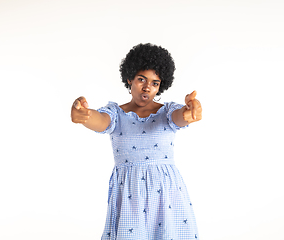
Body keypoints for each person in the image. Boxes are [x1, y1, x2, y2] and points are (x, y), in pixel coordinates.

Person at [71, 43, 202, 240]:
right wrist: (85, 115)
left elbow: (180, 117)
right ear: (129, 78)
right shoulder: (115, 113)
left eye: (155, 83)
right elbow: (101, 121)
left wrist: (190, 110)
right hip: (129, 196)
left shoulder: (167, 112)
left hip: (166, 195)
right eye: (142, 79)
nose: (148, 87)